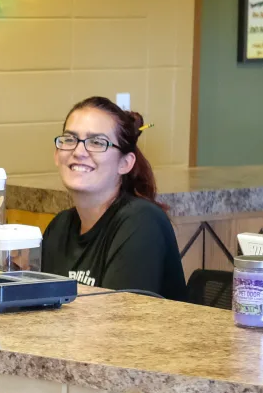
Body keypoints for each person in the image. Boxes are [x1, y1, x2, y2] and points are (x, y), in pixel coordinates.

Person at [42, 96, 188, 301]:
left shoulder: (141, 222)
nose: (79, 151)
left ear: (125, 163)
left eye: (97, 142)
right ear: (57, 155)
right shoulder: (59, 227)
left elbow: (119, 321)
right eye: (70, 139)